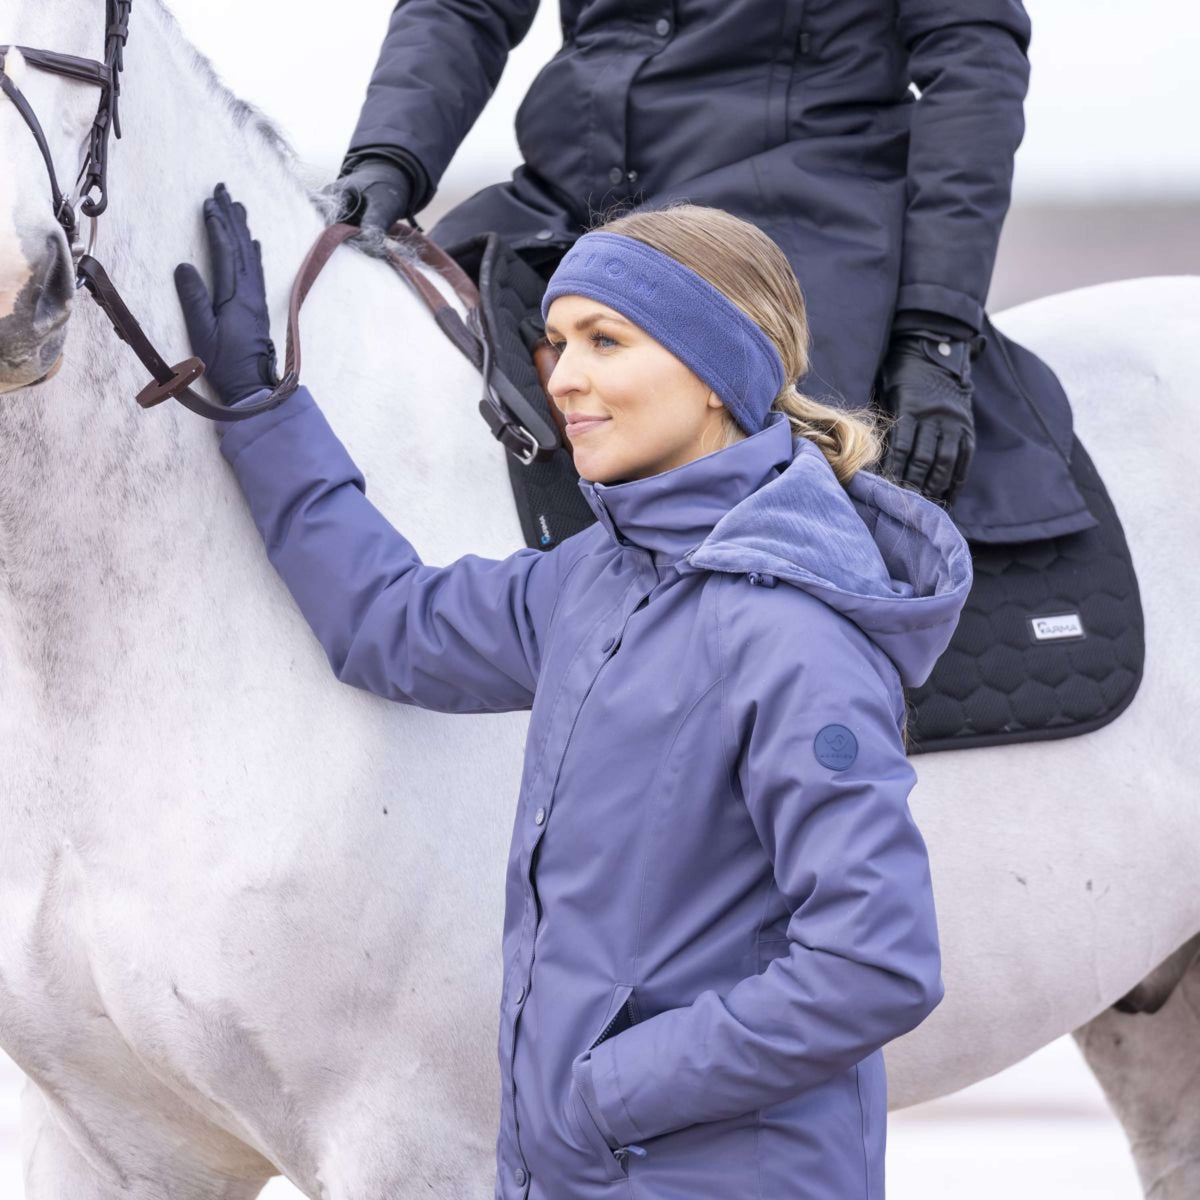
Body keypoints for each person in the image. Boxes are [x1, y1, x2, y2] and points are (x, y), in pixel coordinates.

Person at [173, 183, 973, 1199]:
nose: (563, 379)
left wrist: (605, 1095)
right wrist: (261, 411)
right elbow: (391, 622)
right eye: (557, 344)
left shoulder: (796, 638)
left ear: (717, 370)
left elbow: (878, 962)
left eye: (606, 341)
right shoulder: (595, 577)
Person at [324, 0, 1097, 544]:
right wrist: (391, 155)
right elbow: (464, 6)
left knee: (748, 475)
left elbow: (973, 59)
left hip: (791, 212)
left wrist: (935, 331)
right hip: (569, 200)